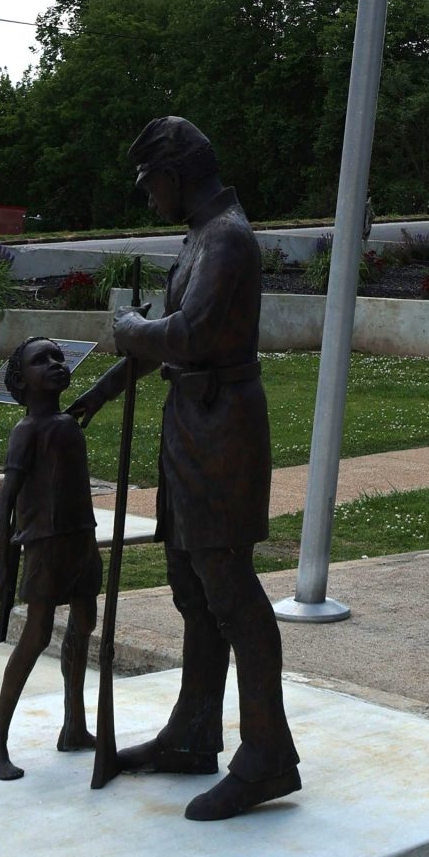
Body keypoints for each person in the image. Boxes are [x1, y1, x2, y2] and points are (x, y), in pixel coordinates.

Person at [67, 116, 300, 821]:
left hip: (222, 426)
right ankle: (194, 732)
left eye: (149, 182)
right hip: (193, 424)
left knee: (229, 589)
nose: (146, 196)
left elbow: (190, 335)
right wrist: (103, 391)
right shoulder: (199, 236)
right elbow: (169, 346)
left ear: (176, 175)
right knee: (192, 588)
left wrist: (130, 330)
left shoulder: (227, 239)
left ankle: (266, 756)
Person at [0, 337, 101, 781]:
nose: (55, 364)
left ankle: (74, 724)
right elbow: (5, 503)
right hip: (45, 545)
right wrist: (2, 559)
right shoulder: (26, 431)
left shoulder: (69, 424)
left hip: (81, 540)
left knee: (85, 623)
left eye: (59, 357)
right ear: (20, 380)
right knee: (35, 636)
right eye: (42, 360)